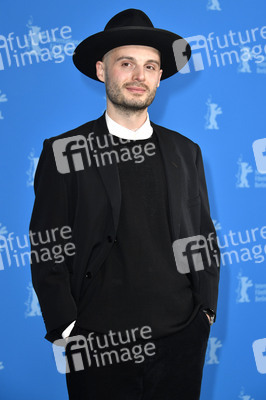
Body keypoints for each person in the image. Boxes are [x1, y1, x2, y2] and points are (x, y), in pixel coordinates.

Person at [29, 8, 220, 400]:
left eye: (151, 66)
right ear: (102, 70)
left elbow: (201, 234)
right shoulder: (65, 151)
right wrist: (67, 330)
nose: (139, 76)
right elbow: (47, 242)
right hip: (97, 346)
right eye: (127, 63)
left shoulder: (186, 152)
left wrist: (205, 312)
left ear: (160, 77)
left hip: (181, 340)